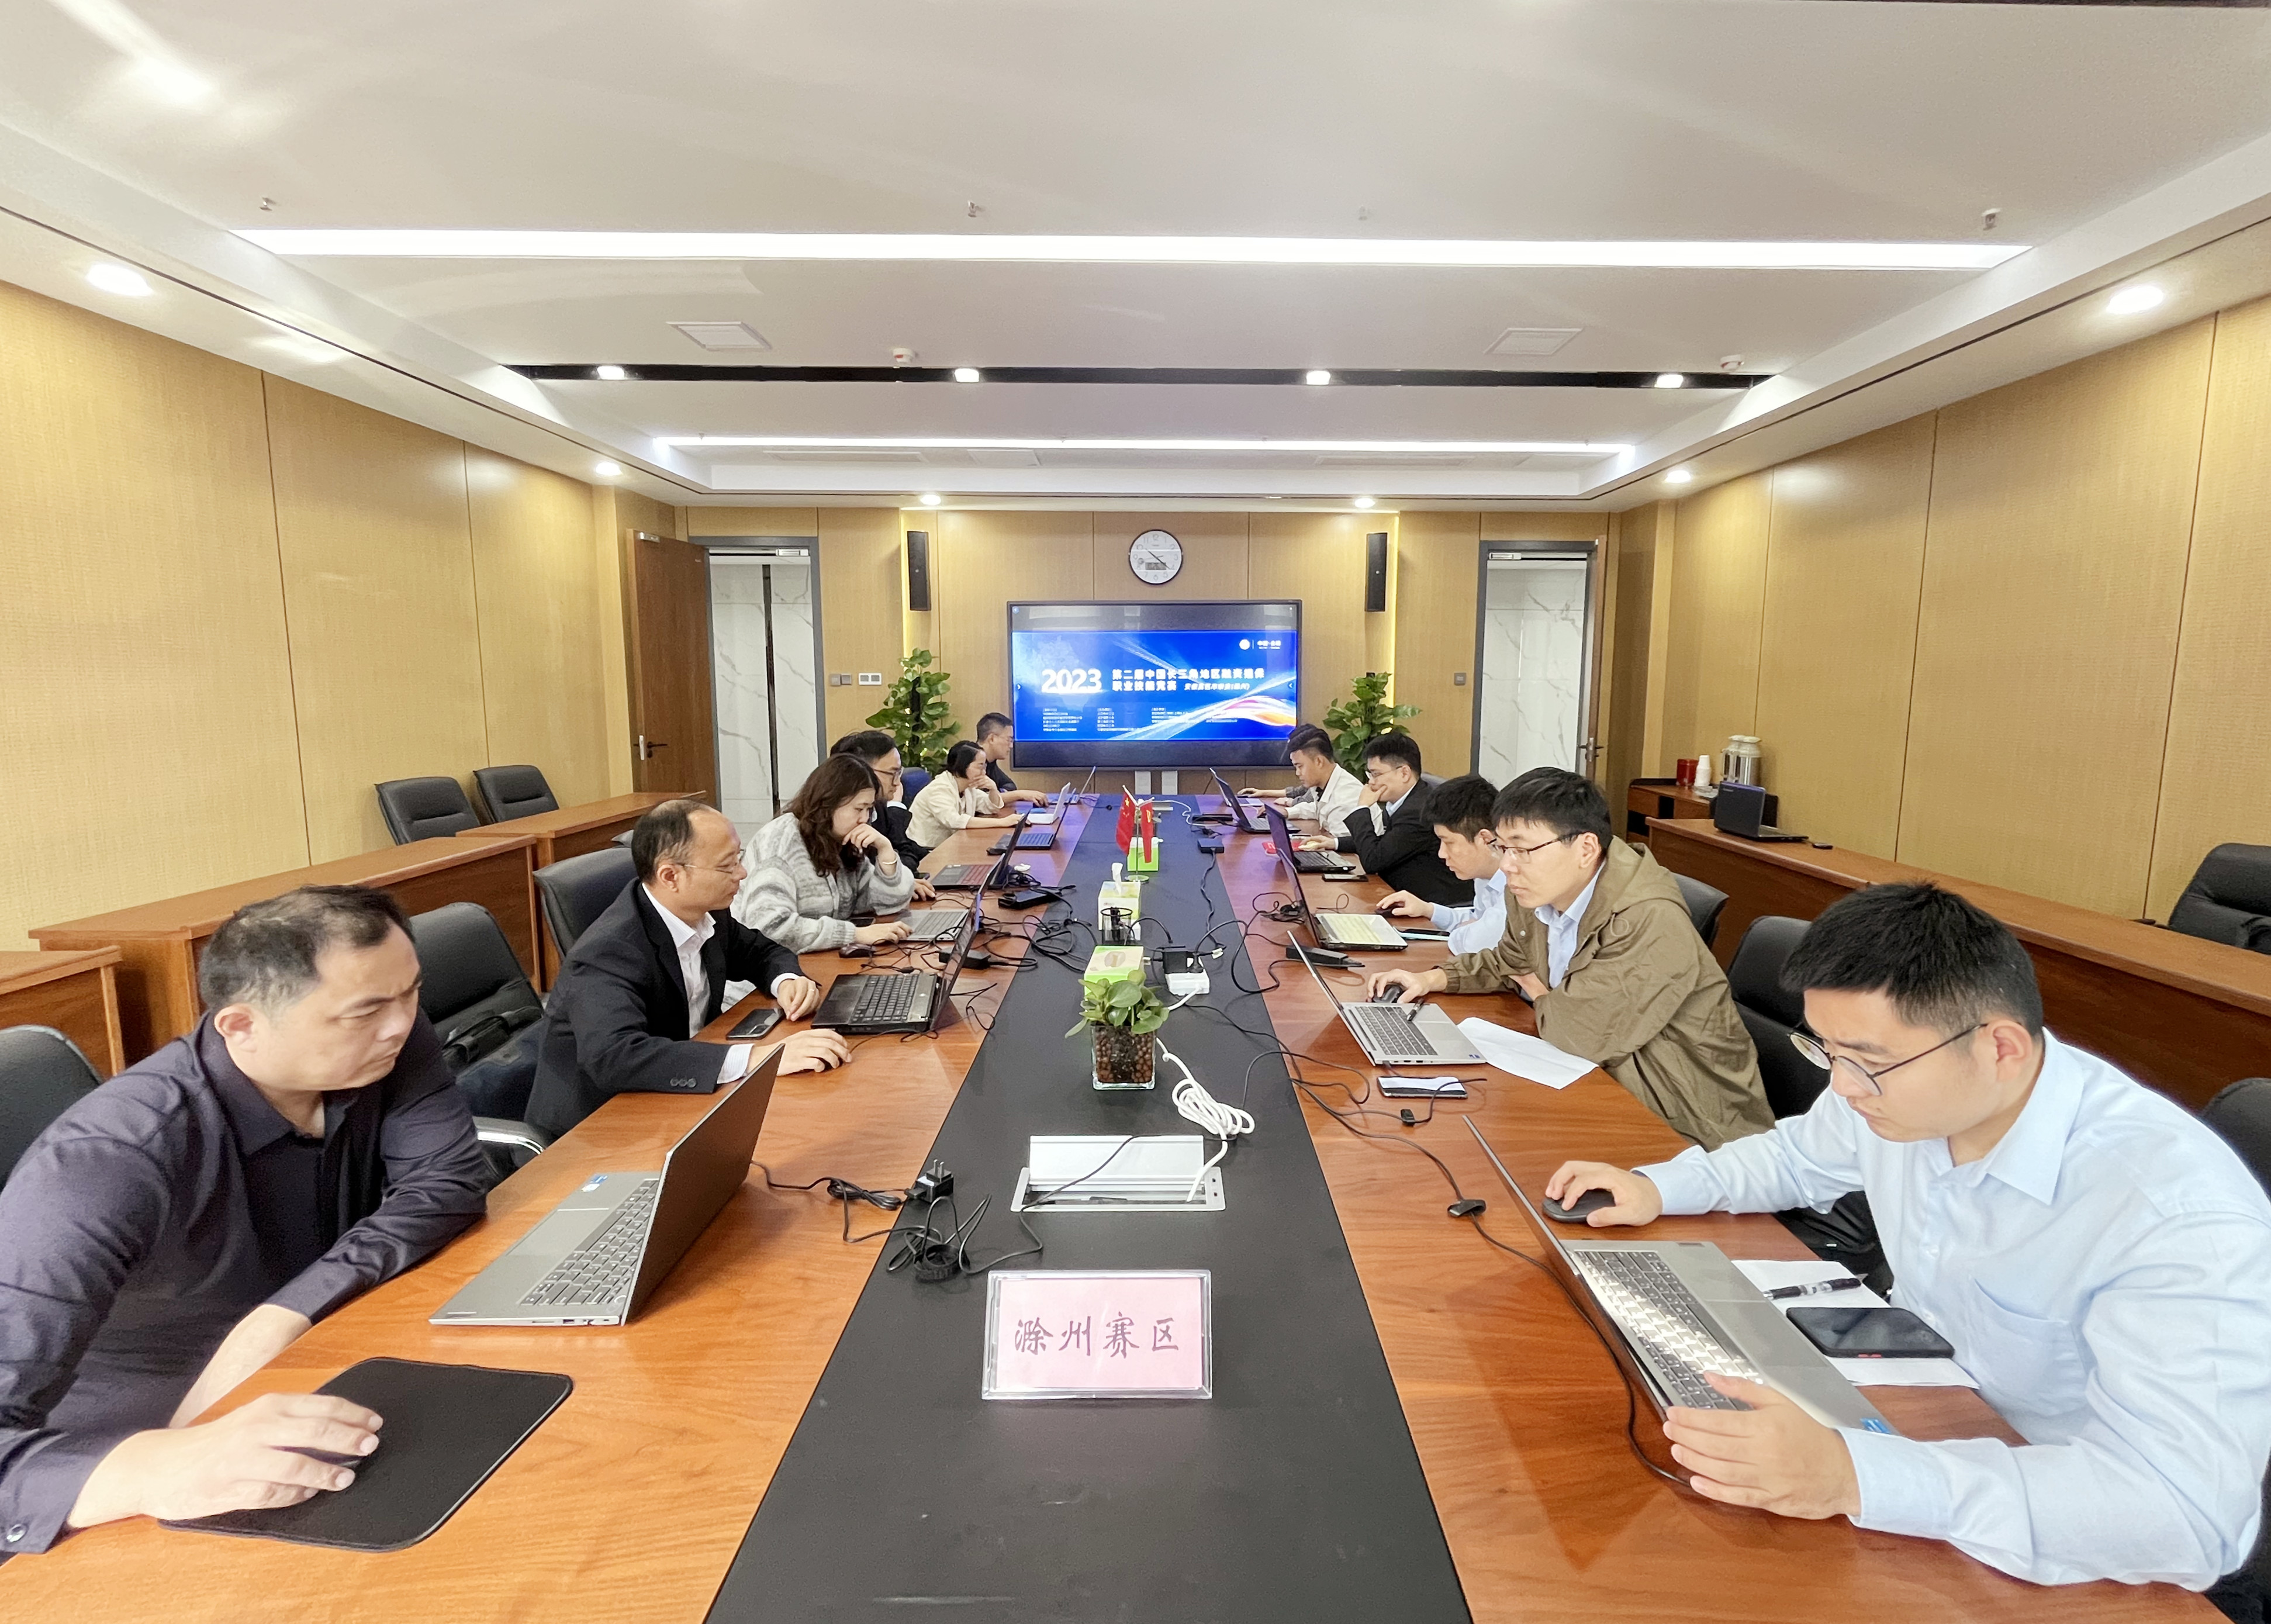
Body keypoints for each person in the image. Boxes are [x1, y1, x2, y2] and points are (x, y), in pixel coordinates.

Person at [1544, 883, 2271, 1591]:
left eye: (1867, 1062)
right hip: (1922, 1404)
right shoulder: (1901, 1092)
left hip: (2049, 1521)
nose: (1844, 1087)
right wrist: (1660, 1187)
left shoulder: (2175, 1218)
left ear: (2001, 1049)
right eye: (1828, 1052)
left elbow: (2185, 1517)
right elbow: (1796, 1158)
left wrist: (1852, 1477)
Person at [0, 886, 490, 1551]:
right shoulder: (107, 1161)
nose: (402, 1024)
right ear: (241, 1026)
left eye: (412, 993)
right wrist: (155, 1465)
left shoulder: (387, 1043)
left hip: (305, 1355)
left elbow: (447, 1182)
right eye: (368, 1009)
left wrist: (283, 1313)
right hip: (143, 1437)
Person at [1368, 769, 1771, 1149]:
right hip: (1604, 1084)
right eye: (1503, 848)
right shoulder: (1537, 891)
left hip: (1684, 1121)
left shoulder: (1646, 918)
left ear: (1585, 848)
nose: (1507, 865)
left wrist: (1541, 994)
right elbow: (1509, 960)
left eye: (1522, 849)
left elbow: (1580, 1035)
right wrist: (1433, 978)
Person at [527, 798, 846, 1139]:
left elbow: (761, 952)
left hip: (677, 1094)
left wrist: (787, 981)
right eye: (727, 866)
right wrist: (756, 1058)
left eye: (738, 858)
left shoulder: (706, 912)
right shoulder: (608, 952)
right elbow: (616, 1056)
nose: (742, 873)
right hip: (598, 1127)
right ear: (671, 876)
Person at [734, 754, 918, 954]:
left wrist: (885, 850)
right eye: (859, 809)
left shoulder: (840, 841)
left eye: (869, 809)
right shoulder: (780, 842)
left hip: (813, 960)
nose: (864, 819)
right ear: (828, 804)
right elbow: (769, 927)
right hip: (765, 969)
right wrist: (854, 935)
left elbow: (885, 904)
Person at [1295, 732, 1465, 906]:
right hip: (1396, 892)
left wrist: (1362, 808)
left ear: (1404, 773)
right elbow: (1385, 842)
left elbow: (1373, 860)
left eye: (1376, 774)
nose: (1371, 783)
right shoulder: (1405, 801)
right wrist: (1335, 843)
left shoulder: (1417, 812)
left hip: (1428, 904)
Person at [1374, 772, 1509, 954]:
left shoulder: (1517, 884)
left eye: (1449, 842)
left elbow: (1475, 943)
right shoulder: (1485, 875)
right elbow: (1476, 919)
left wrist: (1472, 930)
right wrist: (1428, 910)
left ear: (1485, 839)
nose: (1442, 854)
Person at [829, 728, 935, 892]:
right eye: (892, 773)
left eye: (899, 773)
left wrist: (896, 877)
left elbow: (908, 853)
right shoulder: (841, 820)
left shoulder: (878, 807)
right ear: (861, 770)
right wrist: (895, 881)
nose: (897, 783)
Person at [907, 740, 1023, 849]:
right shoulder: (939, 789)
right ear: (963, 766)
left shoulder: (968, 787)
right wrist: (1003, 822)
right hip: (927, 851)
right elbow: (954, 821)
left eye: (985, 767)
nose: (984, 772)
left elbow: (990, 808)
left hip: (951, 845)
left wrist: (993, 789)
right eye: (980, 767)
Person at [1258, 725, 1363, 838]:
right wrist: (1287, 812)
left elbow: (1345, 845)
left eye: (1300, 766)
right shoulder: (1325, 784)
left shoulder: (1345, 797)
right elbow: (1318, 809)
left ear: (1319, 761)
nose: (1298, 773)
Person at [973, 712, 1048, 806]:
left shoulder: (990, 761)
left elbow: (1009, 785)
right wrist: (1020, 795)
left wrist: (999, 794)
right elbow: (981, 800)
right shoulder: (970, 761)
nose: (1011, 746)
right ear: (992, 739)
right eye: (1009, 740)